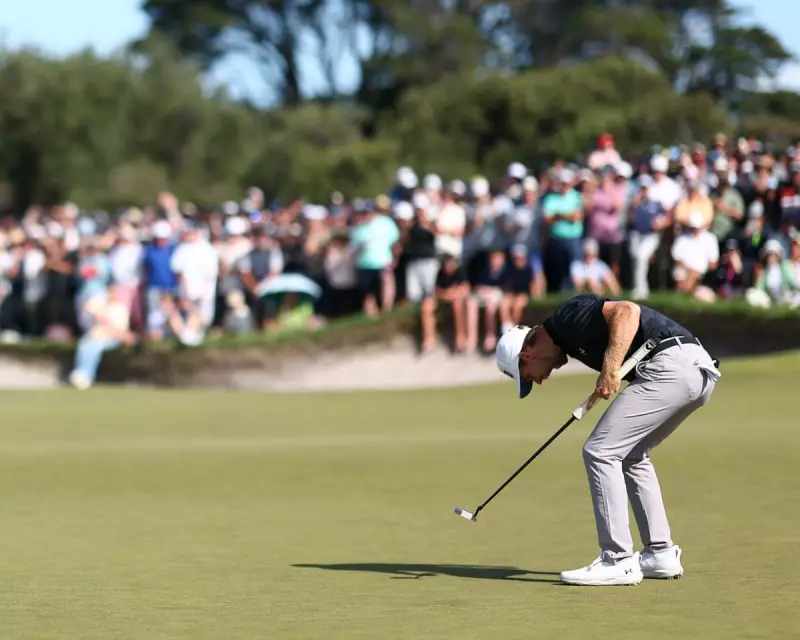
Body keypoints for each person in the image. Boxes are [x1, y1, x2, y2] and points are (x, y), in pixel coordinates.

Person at [494, 294, 721, 586]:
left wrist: (610, 367)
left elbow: (627, 311)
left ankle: (617, 559)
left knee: (600, 451)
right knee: (631, 455)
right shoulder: (569, 338)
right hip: (694, 371)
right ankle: (659, 554)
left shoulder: (566, 318)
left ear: (526, 356)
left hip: (672, 365)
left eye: (527, 377)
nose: (537, 381)